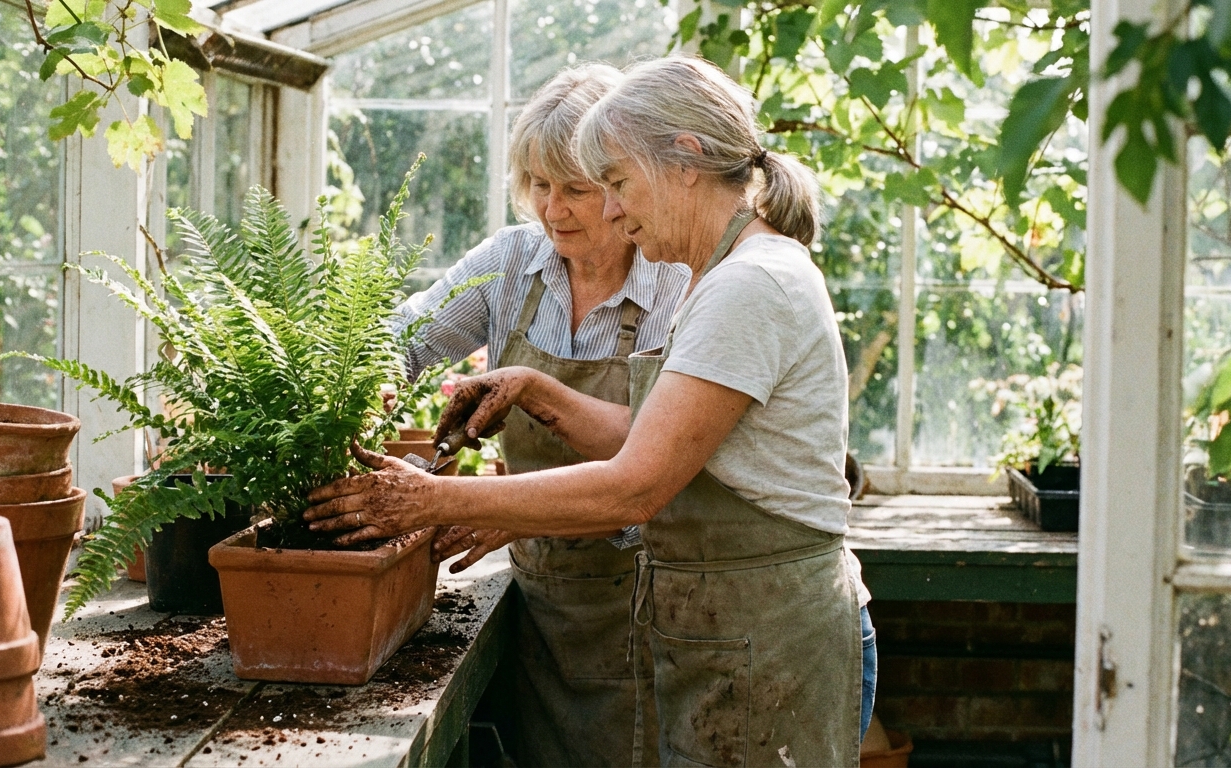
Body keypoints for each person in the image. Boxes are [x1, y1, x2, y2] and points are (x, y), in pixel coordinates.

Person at [308, 56, 872, 766]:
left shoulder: (746, 285)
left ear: (686, 163)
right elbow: (651, 436)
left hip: (765, 632)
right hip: (723, 625)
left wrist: (427, 498)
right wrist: (536, 393)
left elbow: (636, 483)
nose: (602, 208)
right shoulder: (731, 273)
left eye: (612, 184)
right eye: (554, 186)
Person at [391, 63, 690, 767]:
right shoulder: (512, 263)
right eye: (539, 186)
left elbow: (660, 473)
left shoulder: (676, 285)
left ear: (621, 190)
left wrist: (516, 508)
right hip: (541, 597)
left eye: (578, 189)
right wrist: (360, 380)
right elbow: (400, 342)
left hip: (646, 602)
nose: (554, 209)